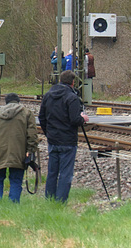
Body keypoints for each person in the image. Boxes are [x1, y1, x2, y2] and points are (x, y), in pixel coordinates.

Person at [39, 70, 89, 203]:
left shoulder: (48, 95)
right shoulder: (71, 98)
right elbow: (74, 120)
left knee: (52, 172)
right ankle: (60, 201)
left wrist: (48, 133)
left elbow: (41, 118)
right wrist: (82, 118)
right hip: (67, 140)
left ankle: (49, 199)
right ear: (73, 82)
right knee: (65, 173)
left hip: (53, 139)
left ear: (60, 80)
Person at [0, 93, 38, 203]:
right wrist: (30, 150)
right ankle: (13, 205)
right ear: (18, 101)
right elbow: (32, 135)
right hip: (19, 151)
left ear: (6, 102)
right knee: (16, 179)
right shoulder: (27, 113)